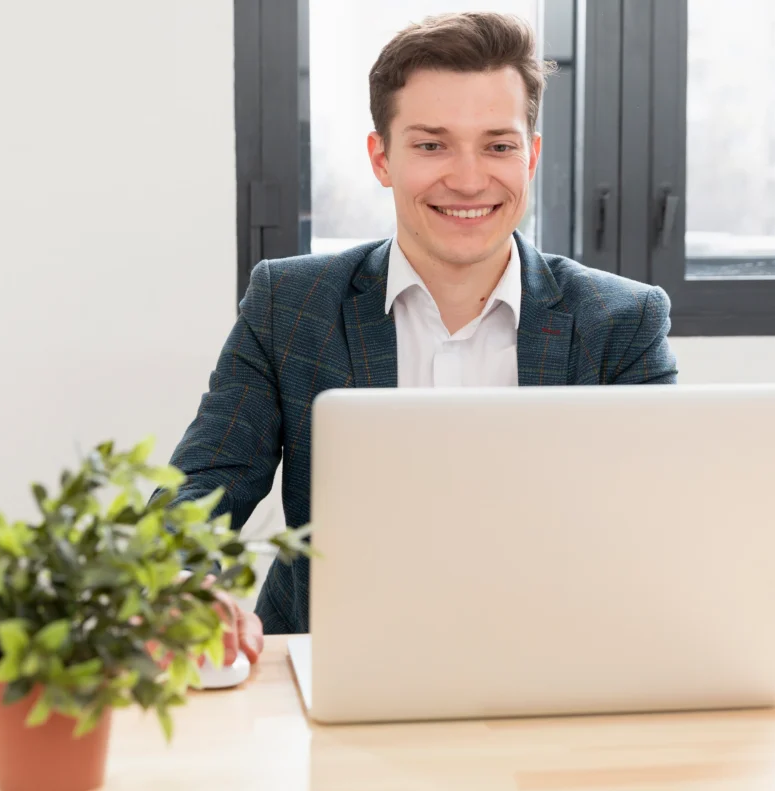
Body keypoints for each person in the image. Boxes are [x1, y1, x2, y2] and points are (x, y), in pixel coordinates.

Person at [167, 11, 678, 666]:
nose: (468, 180)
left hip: (549, 669)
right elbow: (203, 484)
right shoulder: (291, 306)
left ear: (533, 154)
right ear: (382, 158)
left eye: (498, 145)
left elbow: (661, 530)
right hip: (333, 664)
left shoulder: (622, 321)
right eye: (432, 145)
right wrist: (184, 584)